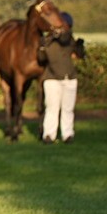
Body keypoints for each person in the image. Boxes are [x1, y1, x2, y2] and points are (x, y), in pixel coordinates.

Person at [37, 11, 82, 144]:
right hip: (52, 78)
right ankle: (49, 134)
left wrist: (80, 47)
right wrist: (42, 47)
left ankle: (67, 134)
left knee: (68, 108)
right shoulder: (48, 41)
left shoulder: (70, 40)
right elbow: (41, 58)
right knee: (52, 107)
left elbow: (78, 53)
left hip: (69, 77)